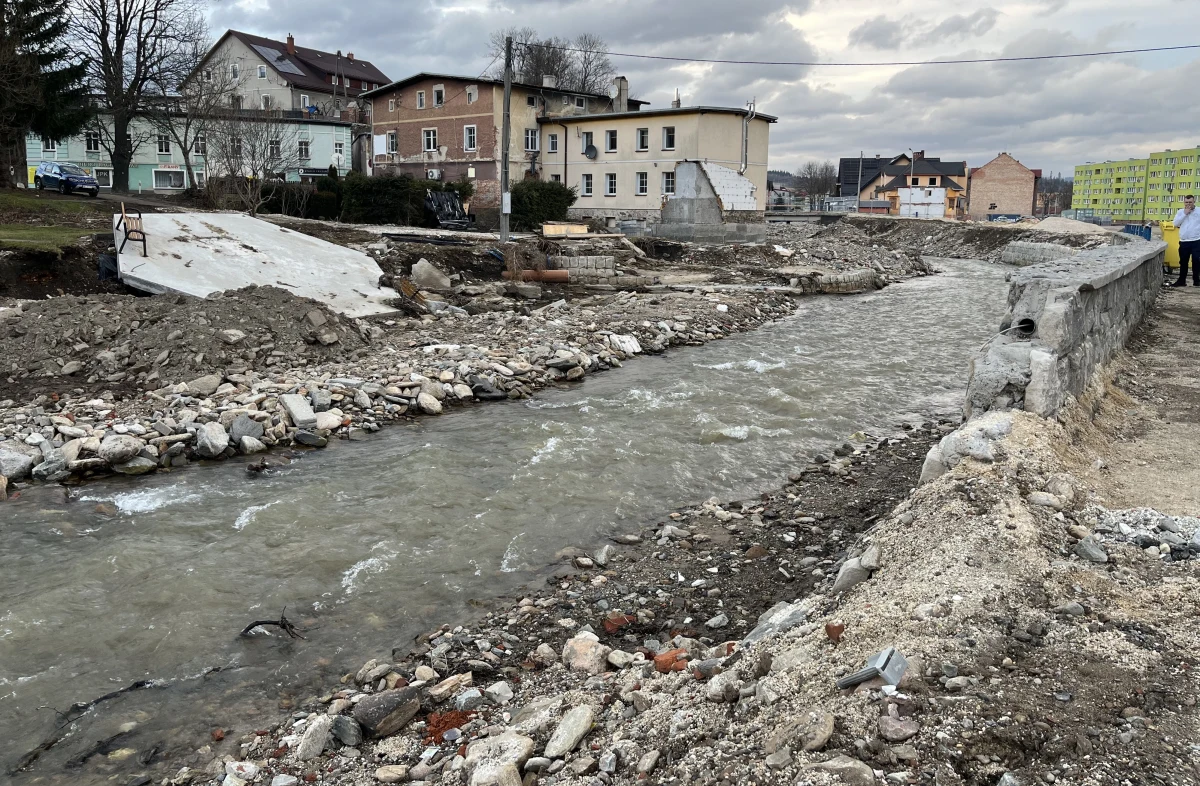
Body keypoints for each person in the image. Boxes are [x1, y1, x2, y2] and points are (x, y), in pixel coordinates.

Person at [1172, 194, 1200, 286]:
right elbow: (1175, 224)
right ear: (1184, 202)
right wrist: (1185, 213)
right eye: (1186, 202)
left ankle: (1197, 280)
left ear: (1194, 202)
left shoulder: (1199, 211)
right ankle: (1181, 281)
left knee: (1196, 260)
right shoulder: (1180, 212)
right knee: (1183, 261)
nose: (1188, 204)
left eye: (1190, 202)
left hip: (1196, 240)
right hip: (1184, 241)